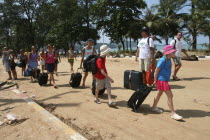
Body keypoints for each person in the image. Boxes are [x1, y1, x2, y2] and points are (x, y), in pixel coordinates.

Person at [152, 45, 183, 120]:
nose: (174, 52)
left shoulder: (168, 59)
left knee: (159, 93)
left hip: (164, 79)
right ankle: (173, 113)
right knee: (170, 95)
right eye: (173, 52)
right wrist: (155, 80)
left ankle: (153, 107)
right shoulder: (162, 60)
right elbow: (156, 70)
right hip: (161, 80)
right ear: (168, 53)